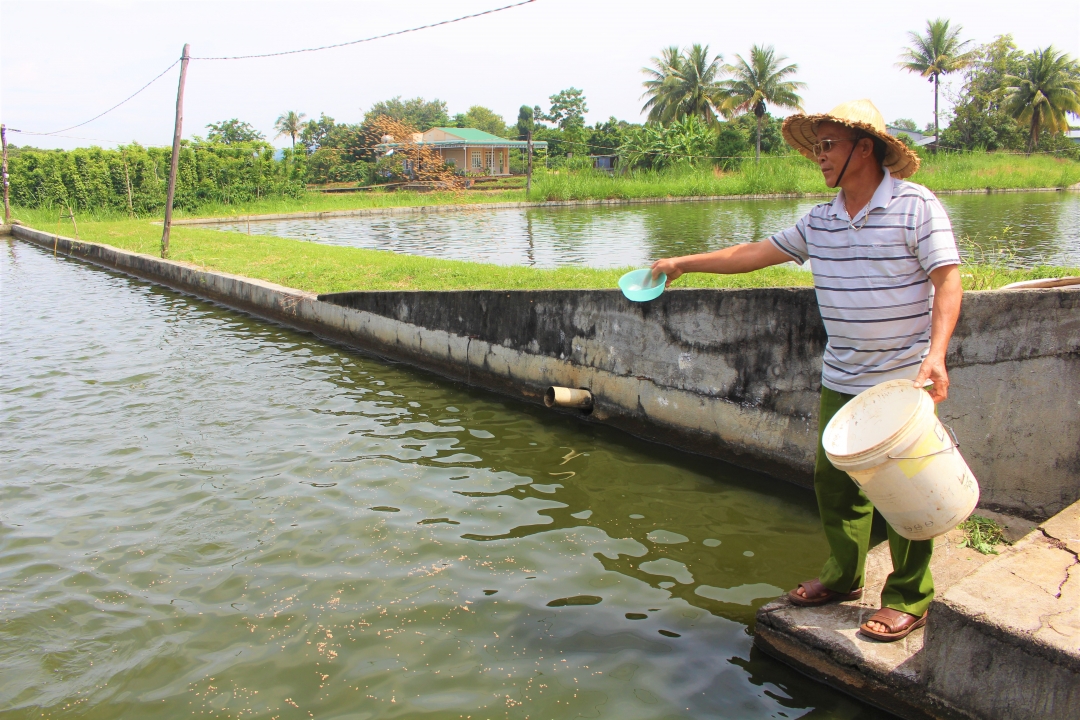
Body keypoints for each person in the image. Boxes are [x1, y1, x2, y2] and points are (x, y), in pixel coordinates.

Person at [650, 99, 962, 642]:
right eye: (816, 146)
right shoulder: (820, 220)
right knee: (836, 484)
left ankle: (909, 595)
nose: (818, 157)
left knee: (908, 490)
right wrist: (682, 263)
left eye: (827, 145)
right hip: (842, 377)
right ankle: (844, 576)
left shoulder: (916, 207)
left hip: (901, 380)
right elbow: (754, 252)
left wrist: (935, 355)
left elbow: (947, 281)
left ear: (863, 149)